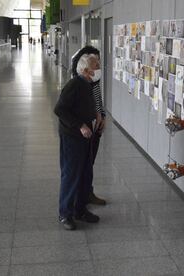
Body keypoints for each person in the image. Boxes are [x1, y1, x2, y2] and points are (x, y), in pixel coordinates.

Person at [54, 54, 101, 230]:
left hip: (85, 138)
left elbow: (83, 107)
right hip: (72, 137)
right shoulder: (74, 85)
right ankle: (64, 214)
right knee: (71, 174)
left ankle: (80, 210)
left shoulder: (87, 85)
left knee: (85, 174)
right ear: (86, 70)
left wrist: (95, 115)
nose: (98, 69)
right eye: (96, 66)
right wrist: (81, 125)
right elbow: (60, 109)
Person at [71, 46, 107, 206]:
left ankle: (88, 192)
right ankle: (79, 196)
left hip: (96, 126)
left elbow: (98, 99)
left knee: (90, 162)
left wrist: (103, 116)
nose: (98, 66)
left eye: (98, 62)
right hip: (84, 128)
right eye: (95, 63)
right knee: (82, 164)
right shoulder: (78, 83)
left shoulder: (95, 81)